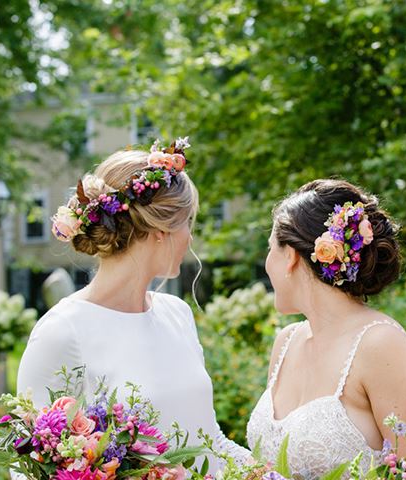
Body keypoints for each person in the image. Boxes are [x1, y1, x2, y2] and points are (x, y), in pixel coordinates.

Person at [17, 138, 251, 472]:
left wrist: (265, 471)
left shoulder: (177, 314)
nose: (191, 238)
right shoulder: (63, 332)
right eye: (188, 223)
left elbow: (208, 439)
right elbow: (30, 468)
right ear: (159, 230)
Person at [247, 179, 406, 479]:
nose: (266, 264)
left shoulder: (380, 344)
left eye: (270, 249)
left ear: (290, 257)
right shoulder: (286, 342)